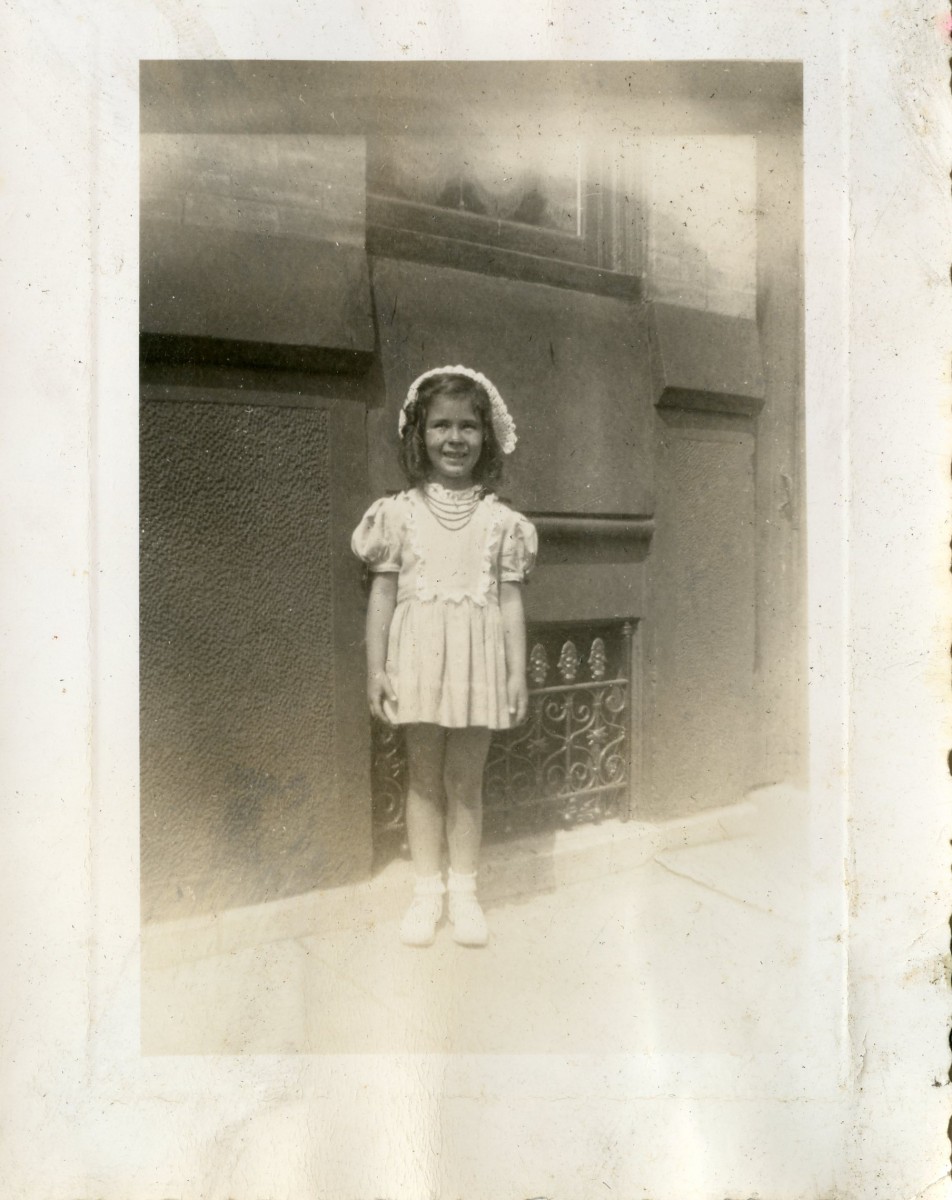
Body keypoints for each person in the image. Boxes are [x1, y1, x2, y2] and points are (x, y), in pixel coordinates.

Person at [351, 365, 537, 947]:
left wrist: (516, 673)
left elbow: (510, 602)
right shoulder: (398, 514)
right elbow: (383, 595)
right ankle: (426, 893)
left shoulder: (501, 522)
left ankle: (465, 894)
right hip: (420, 660)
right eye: (441, 426)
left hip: (477, 663)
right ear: (419, 434)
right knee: (425, 779)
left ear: (486, 436)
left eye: (467, 427)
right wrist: (376, 670)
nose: (454, 438)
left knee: (466, 781)